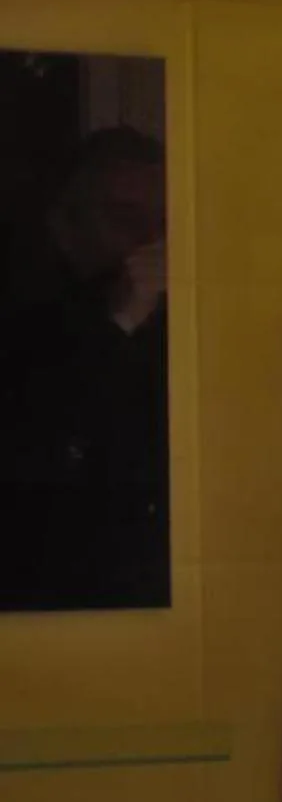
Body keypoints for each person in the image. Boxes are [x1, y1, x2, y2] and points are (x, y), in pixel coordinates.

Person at [0, 124, 171, 610]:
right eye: (125, 218)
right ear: (66, 228)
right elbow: (39, 461)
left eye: (164, 221)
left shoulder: (193, 331)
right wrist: (120, 321)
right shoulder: (25, 336)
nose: (151, 240)